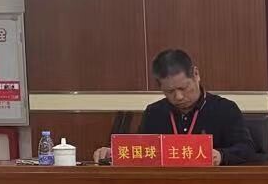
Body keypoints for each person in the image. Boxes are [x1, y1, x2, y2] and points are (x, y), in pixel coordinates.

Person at [93, 49, 257, 166]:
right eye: (170, 91)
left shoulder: (225, 109)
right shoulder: (154, 112)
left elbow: (247, 150)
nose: (178, 97)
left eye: (183, 88)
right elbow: (142, 152)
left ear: (196, 74)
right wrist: (113, 153)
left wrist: (221, 156)